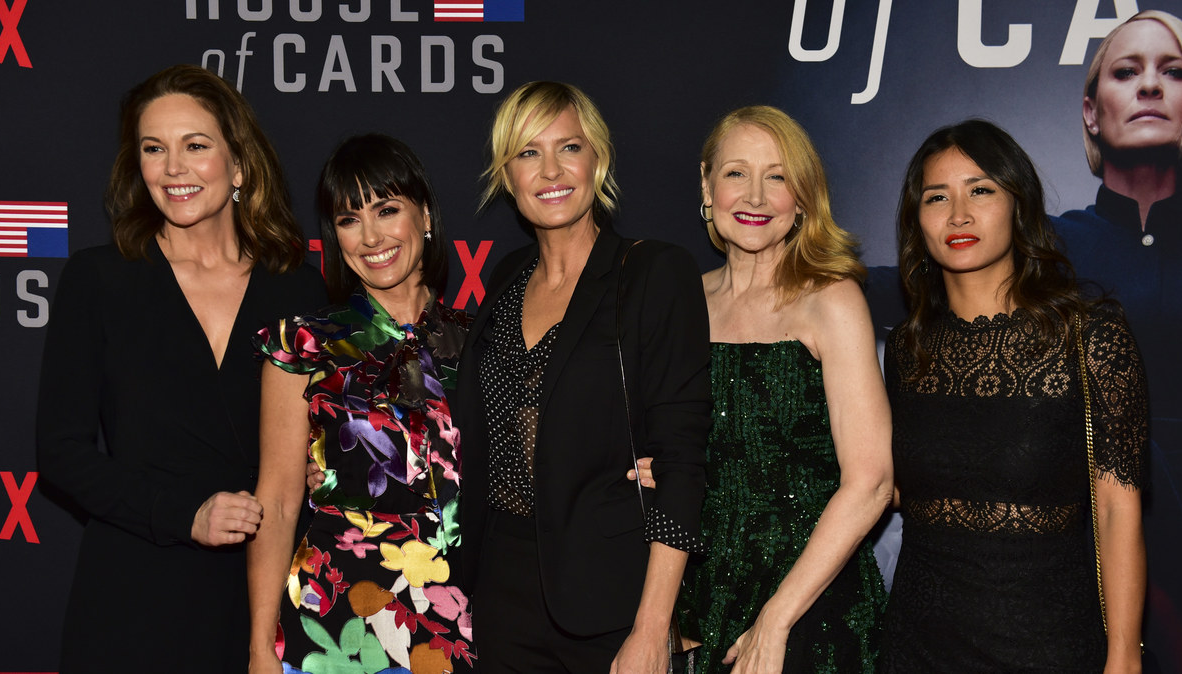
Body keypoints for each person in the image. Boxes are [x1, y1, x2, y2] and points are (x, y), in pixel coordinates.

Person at [36, 64, 326, 671]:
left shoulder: (295, 290)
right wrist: (183, 514)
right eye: (153, 149)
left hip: (261, 598)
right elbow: (61, 451)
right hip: (132, 594)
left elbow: (309, 463)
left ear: (239, 164)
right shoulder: (100, 279)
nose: (173, 168)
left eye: (195, 146)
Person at [457, 81, 711, 672]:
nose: (550, 171)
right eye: (527, 153)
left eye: (568, 147)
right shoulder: (506, 277)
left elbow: (682, 460)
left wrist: (652, 630)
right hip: (500, 588)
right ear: (506, 173)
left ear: (597, 158)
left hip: (611, 600)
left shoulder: (652, 272)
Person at [882, 120, 1147, 672]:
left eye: (980, 190)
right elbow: (889, 487)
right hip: (918, 643)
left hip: (1050, 643)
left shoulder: (1089, 333)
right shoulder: (907, 351)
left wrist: (1123, 653)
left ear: (1018, 205)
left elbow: (1119, 509)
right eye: (937, 197)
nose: (958, 214)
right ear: (918, 222)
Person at [655, 105, 892, 673]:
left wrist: (777, 617)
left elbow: (873, 481)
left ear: (803, 198)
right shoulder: (681, 301)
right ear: (707, 187)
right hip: (697, 606)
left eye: (778, 176)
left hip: (813, 611)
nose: (756, 196)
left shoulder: (830, 300)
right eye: (737, 173)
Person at [248, 134, 475, 673]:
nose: (371, 236)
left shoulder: (482, 343)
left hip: (460, 615)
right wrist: (260, 648)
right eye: (349, 219)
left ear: (425, 216)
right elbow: (277, 503)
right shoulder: (303, 346)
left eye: (387, 210)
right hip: (333, 618)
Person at [1051, 11, 1182, 668]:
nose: (1151, 86)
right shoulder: (1045, 247)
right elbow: (911, 286)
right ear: (1092, 112)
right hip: (1082, 542)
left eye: (1173, 72)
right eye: (1128, 71)